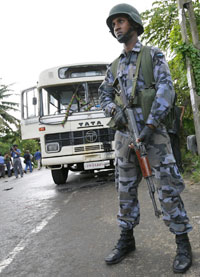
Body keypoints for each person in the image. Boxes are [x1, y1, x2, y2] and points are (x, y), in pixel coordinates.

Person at [98, 3, 192, 274]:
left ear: (134, 25)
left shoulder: (152, 55)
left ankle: (182, 243)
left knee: (168, 189)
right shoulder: (113, 67)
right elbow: (103, 95)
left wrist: (150, 125)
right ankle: (126, 240)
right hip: (125, 138)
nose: (117, 26)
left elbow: (166, 88)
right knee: (125, 192)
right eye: (113, 23)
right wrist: (114, 111)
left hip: (154, 137)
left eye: (121, 21)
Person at [168, 105, 185, 173]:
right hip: (176, 131)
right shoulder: (177, 108)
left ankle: (173, 170)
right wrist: (180, 119)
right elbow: (183, 107)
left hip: (169, 131)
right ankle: (180, 168)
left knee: (170, 150)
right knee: (177, 150)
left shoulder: (167, 108)